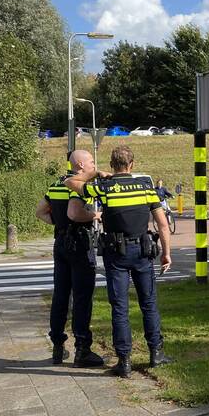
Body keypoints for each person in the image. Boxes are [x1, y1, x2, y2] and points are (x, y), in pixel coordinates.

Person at [66, 145, 172, 378]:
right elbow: (163, 225)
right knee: (148, 304)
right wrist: (166, 253)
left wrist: (96, 173)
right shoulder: (146, 188)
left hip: (117, 254)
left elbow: (70, 183)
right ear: (132, 165)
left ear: (113, 166)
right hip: (144, 252)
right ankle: (156, 354)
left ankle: (124, 361)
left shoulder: (104, 188)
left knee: (120, 308)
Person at [34, 150, 104, 367]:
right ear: (81, 165)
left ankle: (57, 345)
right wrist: (96, 215)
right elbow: (74, 213)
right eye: (92, 161)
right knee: (82, 297)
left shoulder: (56, 184)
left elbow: (40, 212)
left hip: (60, 244)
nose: (94, 164)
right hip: (79, 242)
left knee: (61, 295)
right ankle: (82, 349)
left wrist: (59, 224)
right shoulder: (79, 187)